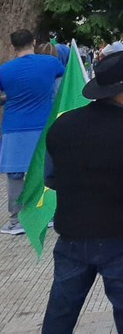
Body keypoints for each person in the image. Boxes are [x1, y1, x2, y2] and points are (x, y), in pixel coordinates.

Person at [41, 51, 123, 333]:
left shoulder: (62, 126)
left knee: (61, 312)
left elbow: (50, 177)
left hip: (72, 235)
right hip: (121, 238)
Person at [0, 29, 65, 235]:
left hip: (14, 127)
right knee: (47, 169)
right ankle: (49, 214)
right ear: (34, 42)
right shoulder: (50, 63)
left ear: (13, 46)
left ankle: (15, 220)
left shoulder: (4, 71)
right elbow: (63, 84)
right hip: (44, 125)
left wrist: (9, 98)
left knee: (15, 174)